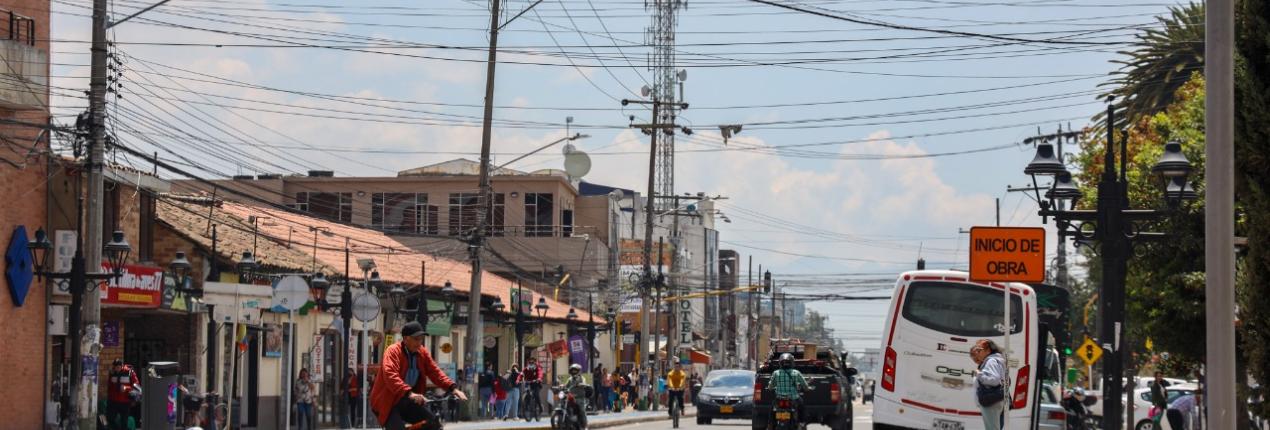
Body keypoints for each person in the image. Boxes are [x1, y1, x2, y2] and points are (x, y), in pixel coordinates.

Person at [370, 321, 469, 430]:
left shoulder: (422, 353)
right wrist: (409, 393)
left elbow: (435, 372)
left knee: (433, 424)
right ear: (406, 339)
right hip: (387, 402)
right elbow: (390, 375)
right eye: (416, 339)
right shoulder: (393, 351)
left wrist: (453, 388)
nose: (419, 343)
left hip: (407, 400)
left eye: (421, 339)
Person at [971, 339, 1008, 430]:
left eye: (979, 350)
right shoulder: (996, 360)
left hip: (991, 402)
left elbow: (994, 380)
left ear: (988, 350)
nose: (977, 353)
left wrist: (978, 374)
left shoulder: (991, 361)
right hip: (995, 400)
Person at [105, 359, 140, 430]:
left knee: (124, 422)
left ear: (122, 366)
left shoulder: (129, 372)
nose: (117, 369)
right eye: (115, 367)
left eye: (118, 367)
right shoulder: (112, 373)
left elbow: (136, 386)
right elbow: (110, 386)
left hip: (125, 401)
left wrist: (126, 388)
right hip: (113, 401)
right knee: (110, 419)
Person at [562, 364, 589, 429]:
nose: (573, 371)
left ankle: (585, 425)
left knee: (582, 410)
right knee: (564, 404)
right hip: (571, 397)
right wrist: (562, 386)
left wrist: (582, 384)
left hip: (579, 398)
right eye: (572, 370)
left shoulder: (582, 378)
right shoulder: (570, 379)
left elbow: (584, 383)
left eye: (575, 370)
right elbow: (566, 385)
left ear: (578, 371)